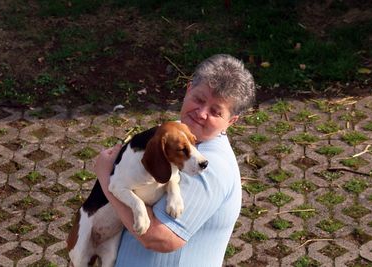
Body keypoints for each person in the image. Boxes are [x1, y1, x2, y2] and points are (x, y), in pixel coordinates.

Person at [95, 54, 256, 267]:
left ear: (231, 121)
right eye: (199, 99)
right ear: (188, 89)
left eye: (216, 112)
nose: (201, 113)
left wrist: (107, 178)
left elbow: (160, 238)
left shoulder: (208, 166)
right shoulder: (173, 134)